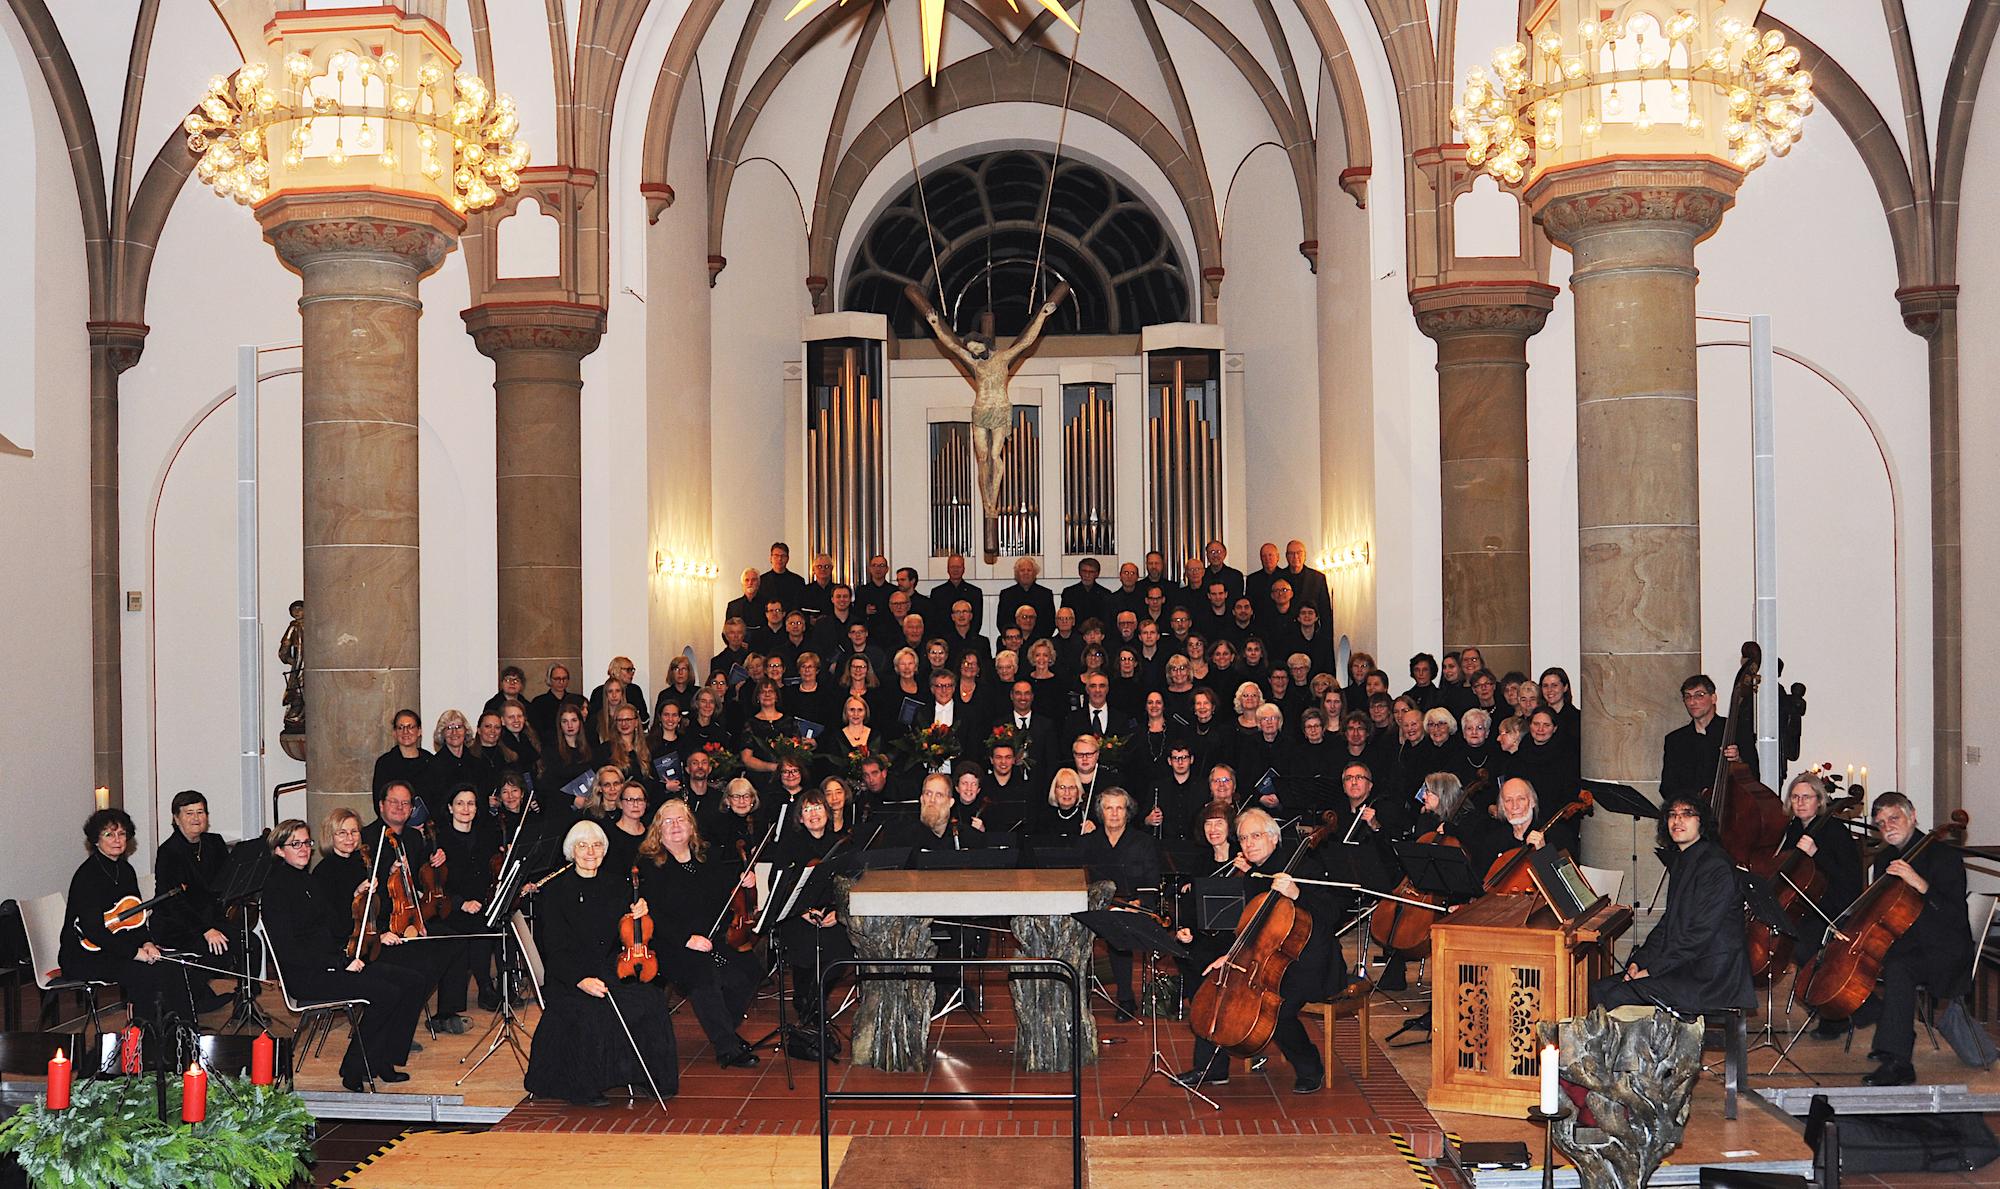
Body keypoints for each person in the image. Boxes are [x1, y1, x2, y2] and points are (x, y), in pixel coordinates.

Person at [1180, 808, 1344, 1093]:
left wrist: (1298, 894)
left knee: (1276, 1009)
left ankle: (1310, 1067)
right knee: (1219, 985)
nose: (1249, 844)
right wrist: (1230, 956)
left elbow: (1333, 914)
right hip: (1266, 957)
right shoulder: (1254, 875)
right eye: (1243, 838)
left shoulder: (1304, 866)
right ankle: (1211, 1069)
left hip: (1309, 961)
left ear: (1273, 838)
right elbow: (1251, 929)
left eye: (1255, 836)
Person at [904, 281, 1072, 557]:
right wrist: (934, 321)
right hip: (980, 411)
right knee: (982, 460)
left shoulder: (1002, 358)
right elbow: (950, 346)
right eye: (971, 349)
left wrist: (1043, 314)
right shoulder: (975, 363)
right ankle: (988, 503)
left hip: (1000, 410)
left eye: (976, 347)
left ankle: (993, 501)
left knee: (996, 458)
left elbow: (1027, 341)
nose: (974, 351)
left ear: (984, 344)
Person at [261, 817, 428, 1092]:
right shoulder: (276, 890)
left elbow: (335, 926)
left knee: (413, 981)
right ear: (279, 850)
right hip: (308, 974)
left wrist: (358, 898)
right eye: (295, 844)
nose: (304, 849)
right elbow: (291, 951)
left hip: (332, 962)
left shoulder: (305, 879)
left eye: (306, 843)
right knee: (386, 992)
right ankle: (354, 1067)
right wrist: (340, 962)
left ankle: (383, 1058)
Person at [523, 820, 680, 1104]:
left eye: (596, 845)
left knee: (652, 1000)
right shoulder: (556, 890)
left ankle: (648, 1076)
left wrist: (640, 911)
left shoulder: (615, 884)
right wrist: (580, 980)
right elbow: (553, 949)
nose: (590, 851)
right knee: (592, 1010)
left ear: (604, 850)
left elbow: (629, 933)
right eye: (582, 845)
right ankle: (583, 1086)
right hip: (570, 975)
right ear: (572, 851)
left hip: (611, 969)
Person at [1846, 792, 1973, 1086]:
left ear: (1912, 816)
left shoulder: (1945, 857)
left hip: (1944, 947)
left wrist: (1920, 884)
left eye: (1894, 818)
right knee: (1858, 959)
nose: (1887, 826)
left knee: (1898, 968)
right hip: (1905, 940)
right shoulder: (1885, 858)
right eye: (1880, 823)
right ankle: (1889, 1028)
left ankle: (1898, 1061)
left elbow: (1953, 916)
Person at [1589, 794, 1754, 1016]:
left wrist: (1652, 970)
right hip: (1687, 967)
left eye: (1687, 814)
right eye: (1672, 815)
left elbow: (1699, 934)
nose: (1677, 821)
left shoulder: (1716, 865)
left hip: (1711, 978)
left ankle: (1639, 1050)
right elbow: (1668, 924)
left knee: (1617, 995)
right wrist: (1639, 961)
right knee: (1598, 990)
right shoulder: (1685, 860)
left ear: (1702, 822)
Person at [638, 799, 762, 1067]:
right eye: (667, 821)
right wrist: (687, 940)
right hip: (673, 944)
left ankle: (725, 1029)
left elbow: (727, 886)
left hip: (713, 939)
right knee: (704, 975)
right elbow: (653, 915)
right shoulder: (650, 866)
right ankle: (727, 1047)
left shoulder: (706, 857)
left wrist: (745, 879)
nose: (675, 826)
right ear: (657, 829)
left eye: (680, 819)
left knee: (750, 971)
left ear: (691, 826)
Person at [60, 808, 199, 1023]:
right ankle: (145, 1035)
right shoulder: (87, 876)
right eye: (109, 834)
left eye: (122, 834)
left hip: (116, 947)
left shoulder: (125, 870)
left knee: (171, 966)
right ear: (96, 841)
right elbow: (93, 930)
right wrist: (134, 952)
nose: (117, 840)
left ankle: (182, 1032)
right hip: (85, 954)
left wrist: (147, 942)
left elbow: (136, 916)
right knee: (145, 973)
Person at [771, 790, 854, 1058]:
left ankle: (811, 1007)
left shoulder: (842, 843)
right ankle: (807, 1006)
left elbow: (853, 883)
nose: (814, 813)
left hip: (831, 915)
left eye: (818, 807)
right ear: (800, 818)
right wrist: (802, 910)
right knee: (804, 947)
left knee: (839, 952)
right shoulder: (790, 845)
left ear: (827, 813)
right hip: (799, 916)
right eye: (807, 810)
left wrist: (838, 914)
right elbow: (778, 883)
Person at [152, 790, 236, 1010]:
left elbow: (227, 881)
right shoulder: (169, 852)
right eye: (189, 813)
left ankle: (243, 1002)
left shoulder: (214, 843)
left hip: (210, 918)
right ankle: (191, 997)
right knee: (210, 950)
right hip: (178, 924)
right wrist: (205, 929)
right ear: (176, 818)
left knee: (250, 944)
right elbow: (173, 903)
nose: (196, 818)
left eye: (200, 812)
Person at [1082, 788, 1163, 1018]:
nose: (1115, 813)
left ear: (1128, 812)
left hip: (1131, 905)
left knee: (1118, 926)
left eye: (1120, 808)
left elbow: (1152, 881)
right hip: (1096, 906)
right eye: (1109, 808)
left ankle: (1126, 998)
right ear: (1101, 812)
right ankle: (1079, 992)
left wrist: (1138, 902)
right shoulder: (1088, 842)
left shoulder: (1143, 842)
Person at [432, 784, 503, 1011]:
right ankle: (460, 1000)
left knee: (485, 922)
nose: (465, 808)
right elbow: (435, 884)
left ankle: (485, 987)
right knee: (466, 927)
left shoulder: (486, 836)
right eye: (460, 803)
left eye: (470, 803)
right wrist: (461, 903)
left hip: (481, 902)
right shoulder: (439, 841)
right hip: (451, 906)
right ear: (450, 808)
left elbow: (493, 872)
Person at [1660, 674, 1756, 802]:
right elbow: (1667, 786)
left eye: (1699, 695)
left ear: (1713, 698)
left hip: (1731, 809)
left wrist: (1739, 760)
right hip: (1692, 811)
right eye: (1687, 696)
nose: (1692, 702)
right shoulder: (1675, 740)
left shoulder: (1737, 731)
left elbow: (1754, 775)